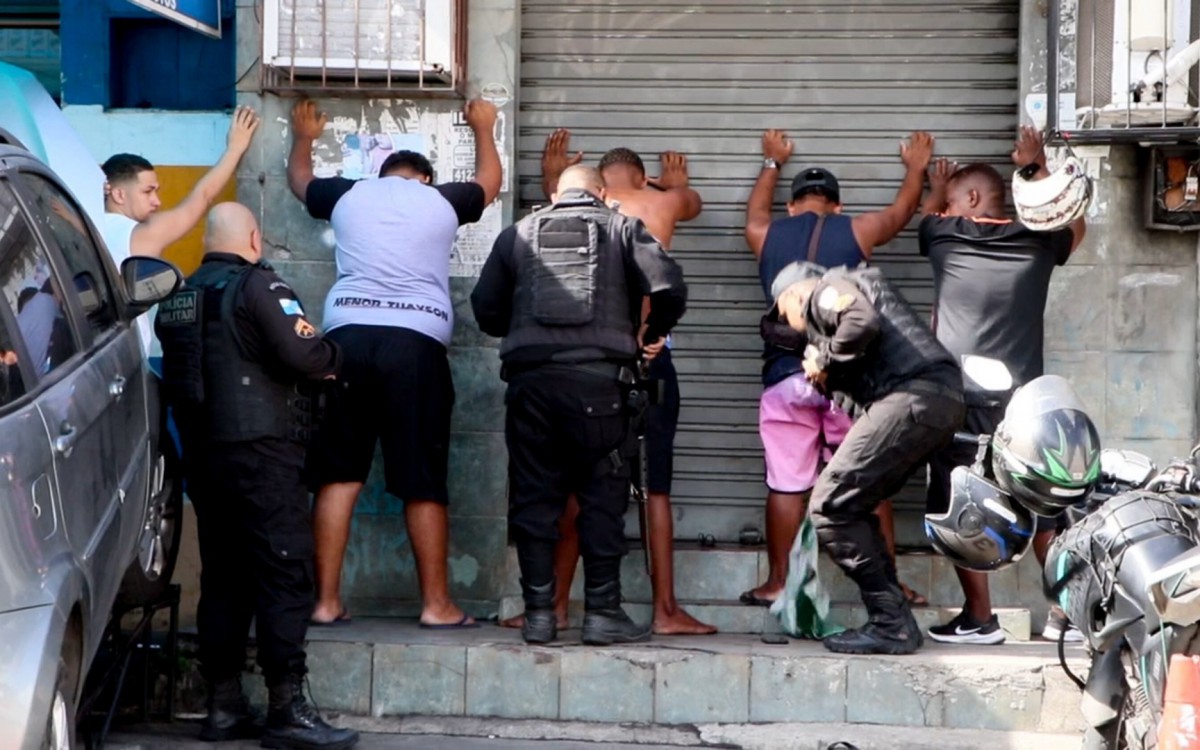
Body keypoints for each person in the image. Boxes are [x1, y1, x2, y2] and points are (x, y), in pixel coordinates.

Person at [286, 97, 502, 628]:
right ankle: (436, 605)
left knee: (338, 475)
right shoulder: (442, 199)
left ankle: (326, 601)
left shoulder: (350, 195)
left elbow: (299, 180)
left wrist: (305, 135)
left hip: (347, 341)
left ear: (380, 175)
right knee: (422, 478)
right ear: (424, 178)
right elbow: (489, 183)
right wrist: (484, 126)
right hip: (416, 342)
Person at [155, 203, 357, 749]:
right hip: (263, 455)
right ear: (253, 237)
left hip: (204, 455)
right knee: (284, 571)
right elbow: (305, 353)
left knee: (225, 575)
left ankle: (223, 707)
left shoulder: (176, 296)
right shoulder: (258, 287)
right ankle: (287, 711)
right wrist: (335, 355)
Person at [470, 165, 688, 646]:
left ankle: (540, 617)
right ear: (603, 194)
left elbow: (484, 307)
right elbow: (670, 287)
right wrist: (649, 337)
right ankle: (603, 614)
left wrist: (527, 332)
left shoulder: (516, 234)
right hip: (601, 388)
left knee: (534, 500)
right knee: (601, 500)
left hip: (531, 387)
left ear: (554, 193)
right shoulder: (623, 227)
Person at [524, 129, 713, 635]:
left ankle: (557, 606)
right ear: (638, 176)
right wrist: (673, 184)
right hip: (649, 359)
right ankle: (665, 610)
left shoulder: (566, 208)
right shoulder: (661, 201)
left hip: (586, 367)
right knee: (655, 489)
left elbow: (557, 196)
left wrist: (551, 171)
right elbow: (693, 204)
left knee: (571, 487)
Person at [739, 128, 935, 608]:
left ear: (792, 206)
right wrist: (915, 170)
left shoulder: (764, 233)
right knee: (867, 479)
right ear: (837, 205)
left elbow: (754, 212)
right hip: (846, 381)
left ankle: (779, 581)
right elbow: (899, 213)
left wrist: (771, 162)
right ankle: (888, 584)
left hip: (785, 379)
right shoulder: (856, 229)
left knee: (787, 485)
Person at [920, 126, 1088, 646]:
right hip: (1024, 404)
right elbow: (1075, 226)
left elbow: (924, 219)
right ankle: (1072, 617)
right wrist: (1035, 168)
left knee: (954, 500)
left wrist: (931, 183)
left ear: (969, 201)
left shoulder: (944, 237)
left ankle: (980, 618)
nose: (943, 210)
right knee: (1042, 508)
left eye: (951, 201)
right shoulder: (1040, 242)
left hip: (959, 399)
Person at [771, 260, 964, 654]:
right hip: (933, 400)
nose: (790, 326)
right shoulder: (847, 291)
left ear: (792, 294)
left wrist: (823, 358)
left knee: (829, 505)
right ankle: (892, 621)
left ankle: (891, 623)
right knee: (849, 504)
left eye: (782, 314)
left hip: (914, 397)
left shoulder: (823, 292)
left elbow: (860, 321)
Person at [100, 106, 260, 355]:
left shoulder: (83, 224)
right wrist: (235, 149)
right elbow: (203, 197)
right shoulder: (139, 234)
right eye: (148, 191)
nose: (157, 201)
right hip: (124, 357)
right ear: (119, 194)